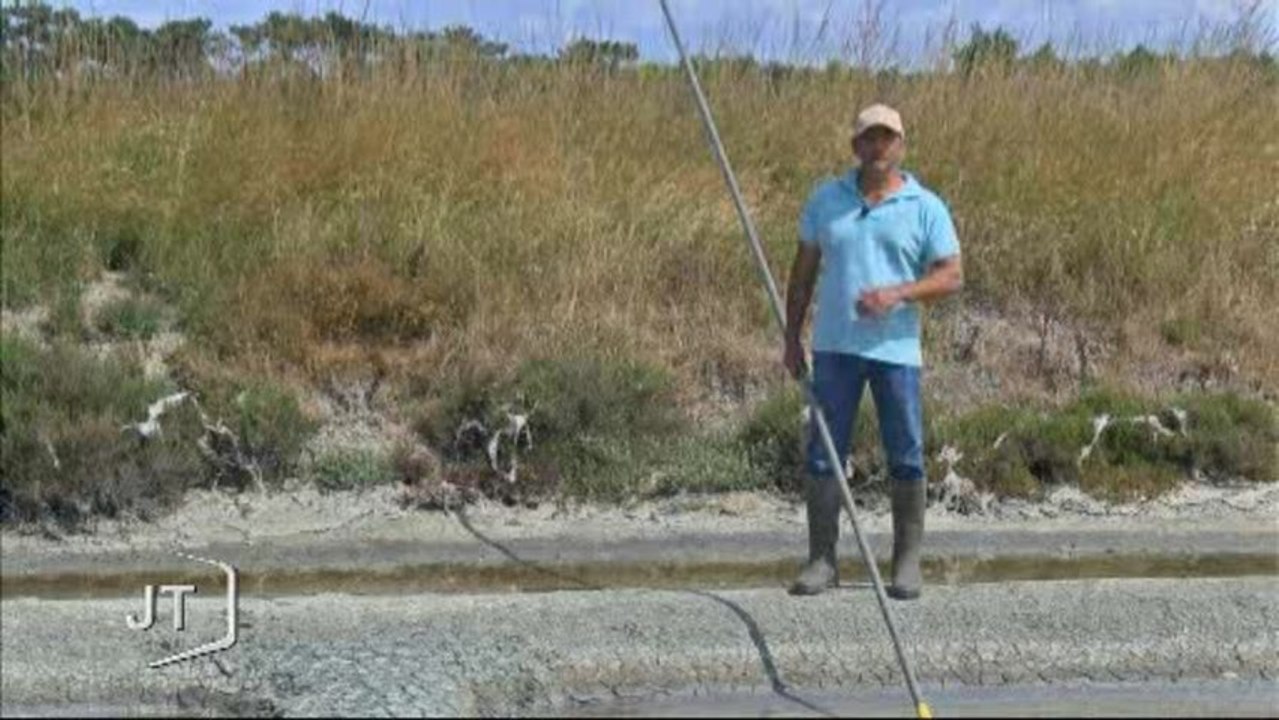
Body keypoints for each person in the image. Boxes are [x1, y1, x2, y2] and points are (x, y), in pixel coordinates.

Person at [784, 103, 963, 599]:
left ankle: (906, 563)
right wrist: (791, 338)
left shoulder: (925, 206)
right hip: (834, 349)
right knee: (824, 453)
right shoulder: (826, 200)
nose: (878, 146)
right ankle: (822, 561)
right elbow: (801, 274)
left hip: (896, 352)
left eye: (887, 137)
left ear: (901, 145)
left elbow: (951, 275)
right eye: (869, 138)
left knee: (905, 453)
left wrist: (898, 294)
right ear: (855, 145)